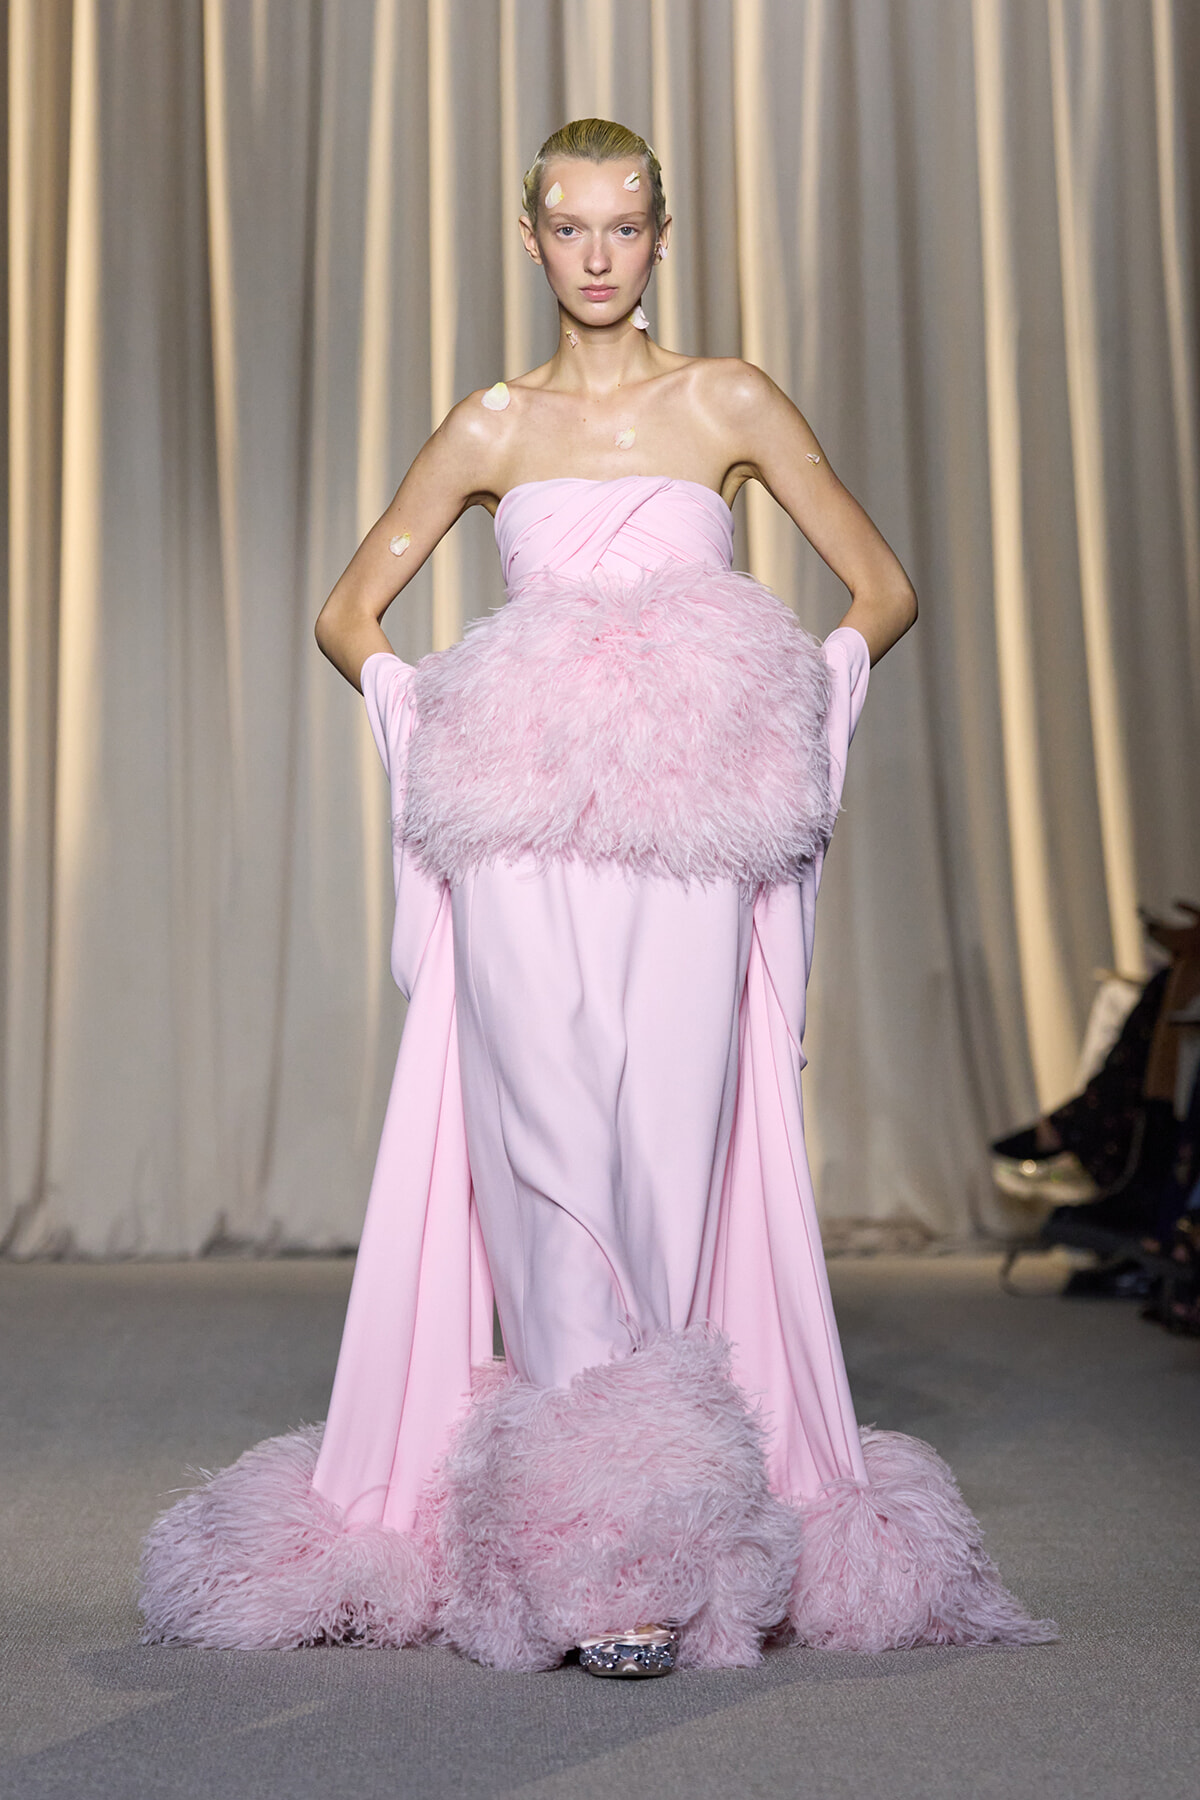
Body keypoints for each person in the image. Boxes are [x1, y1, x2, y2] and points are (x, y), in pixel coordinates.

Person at [140, 118, 1055, 1676]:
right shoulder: (489, 425)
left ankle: (680, 1519)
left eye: (624, 226)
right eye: (569, 227)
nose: (597, 255)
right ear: (531, 236)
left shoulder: (730, 401)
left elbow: (882, 589)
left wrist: (770, 704)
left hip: (687, 842)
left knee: (665, 1162)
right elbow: (349, 610)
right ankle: (595, 1567)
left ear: (662, 231)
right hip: (526, 846)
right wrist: (451, 716)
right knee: (547, 1156)